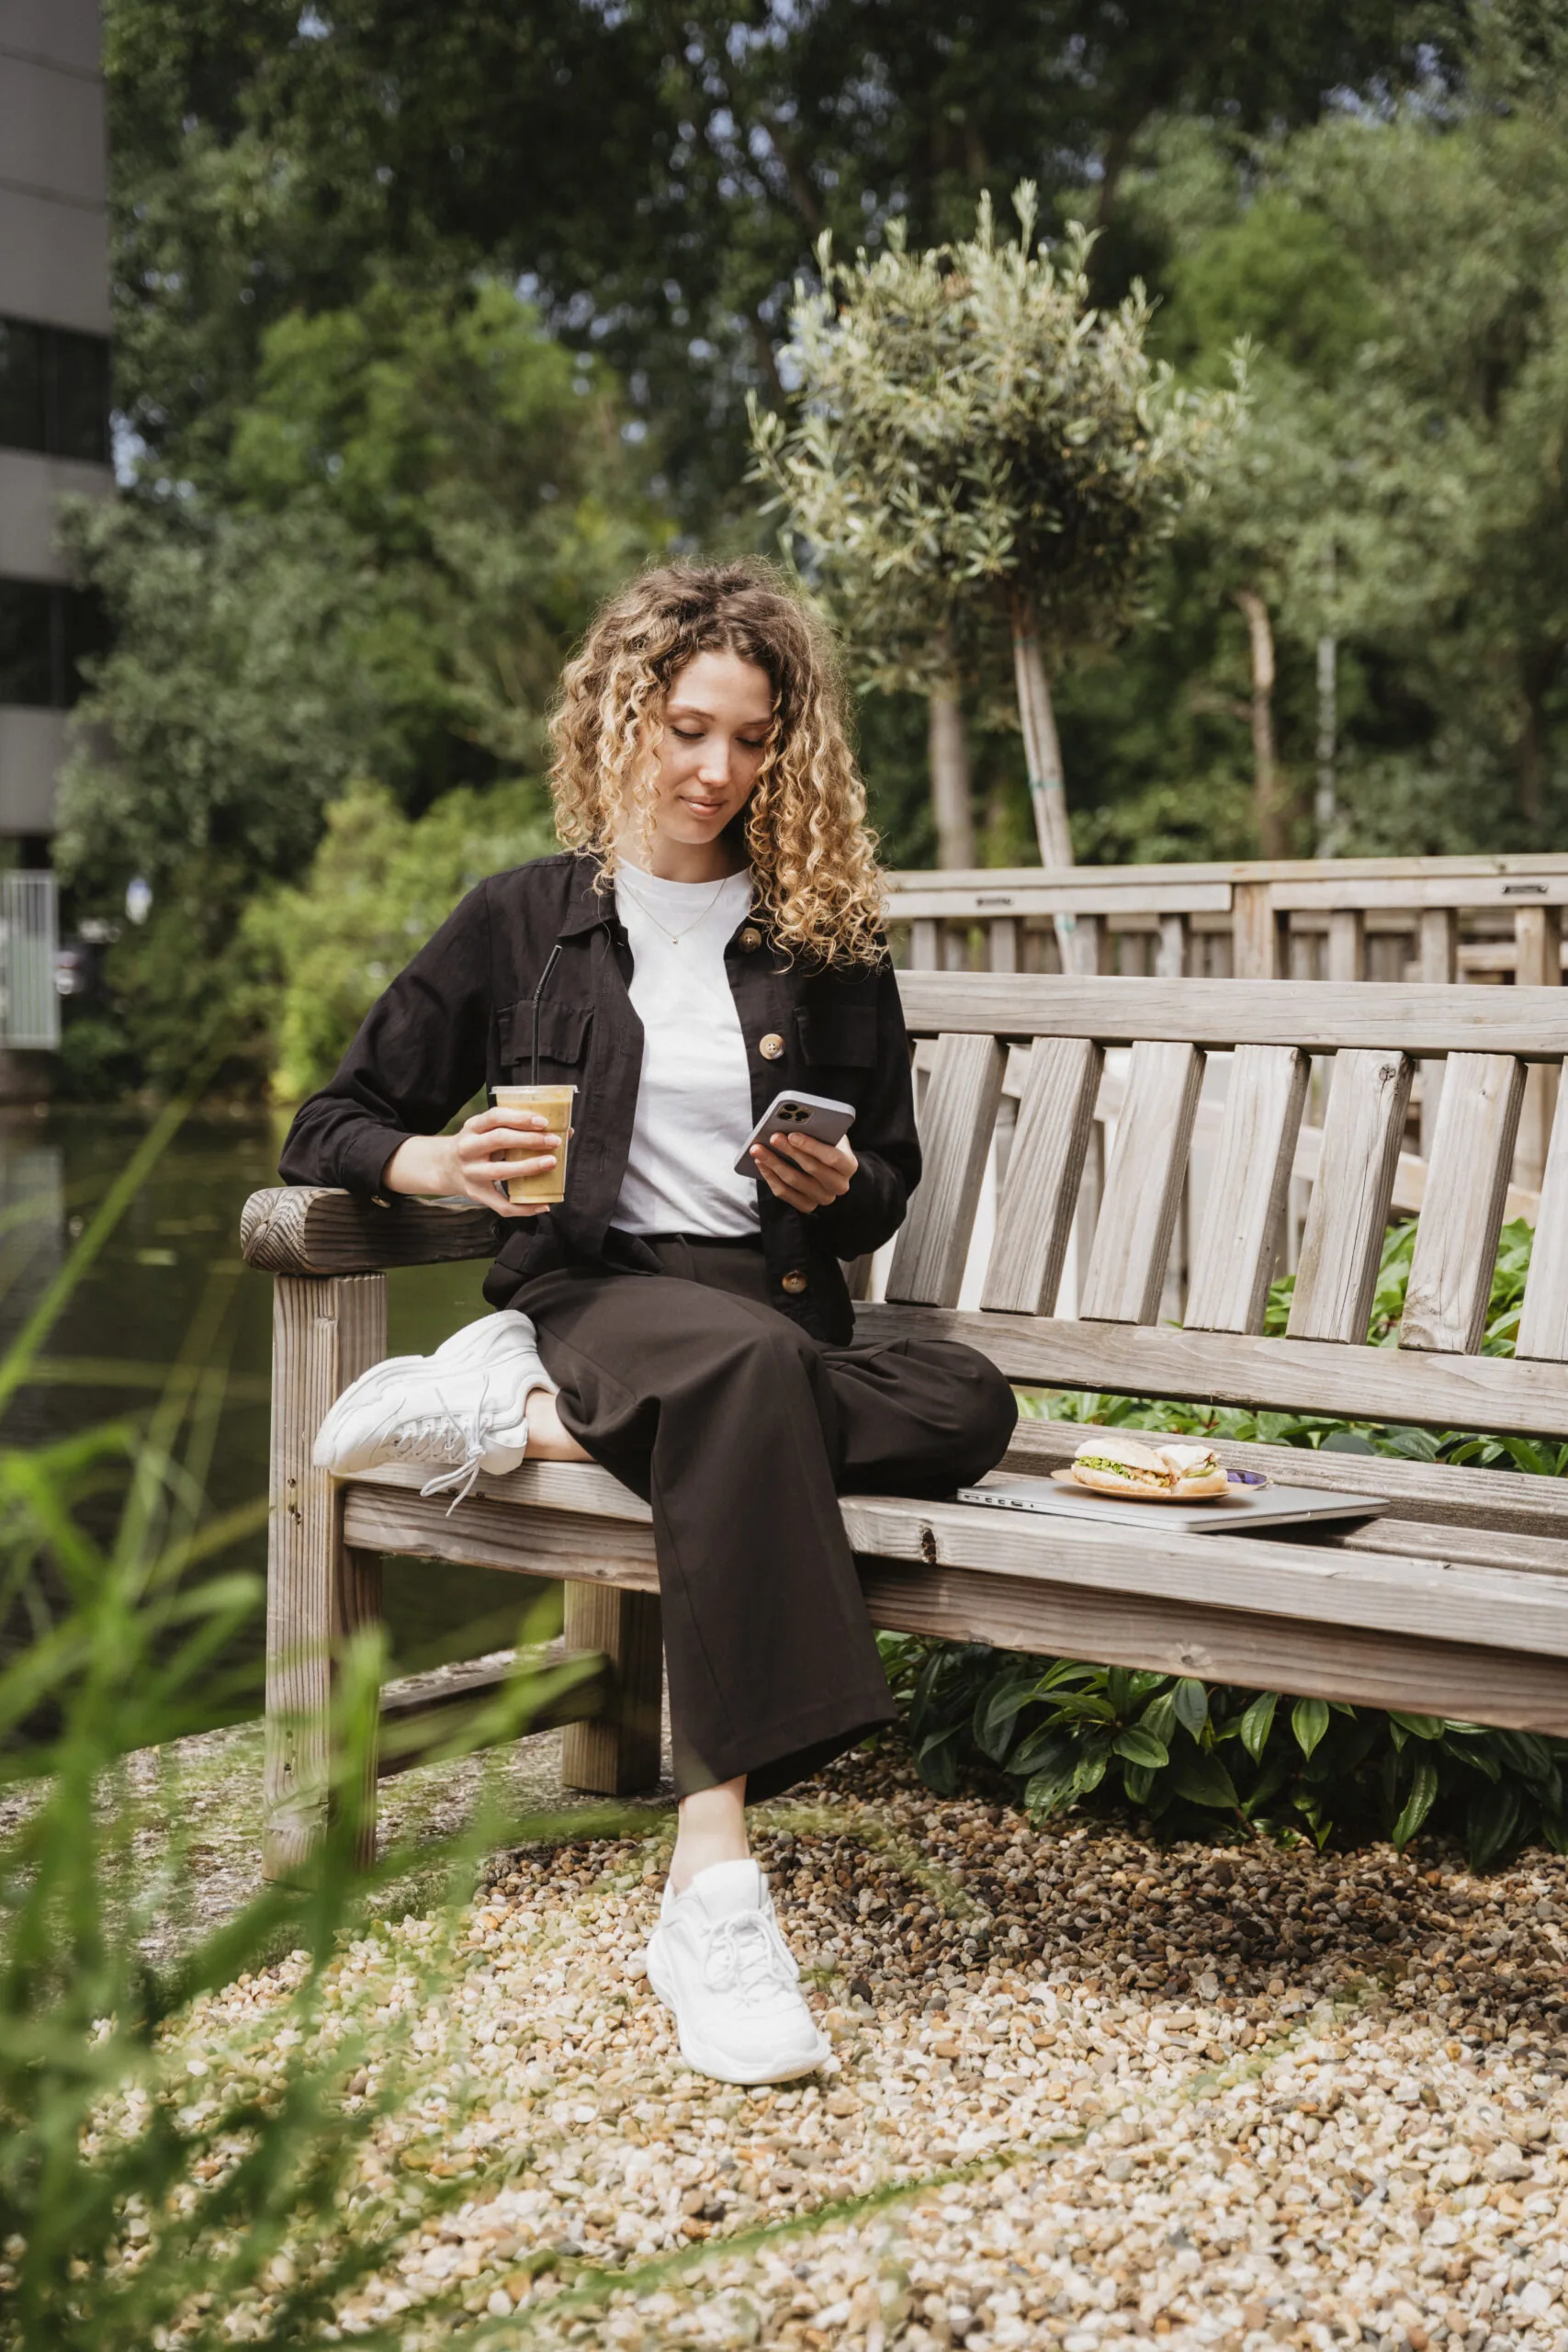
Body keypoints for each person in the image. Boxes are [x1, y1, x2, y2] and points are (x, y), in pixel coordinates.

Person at [283, 560, 1018, 2085]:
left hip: (781, 1304)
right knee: (737, 1375)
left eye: (753, 742)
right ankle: (714, 1879)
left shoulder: (822, 937)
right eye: (687, 729)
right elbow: (333, 1119)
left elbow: (885, 1180)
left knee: (968, 1406)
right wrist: (426, 1158)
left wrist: (830, 1183)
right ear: (620, 716)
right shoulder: (523, 922)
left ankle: (512, 1417)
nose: (716, 772)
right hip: (603, 1288)